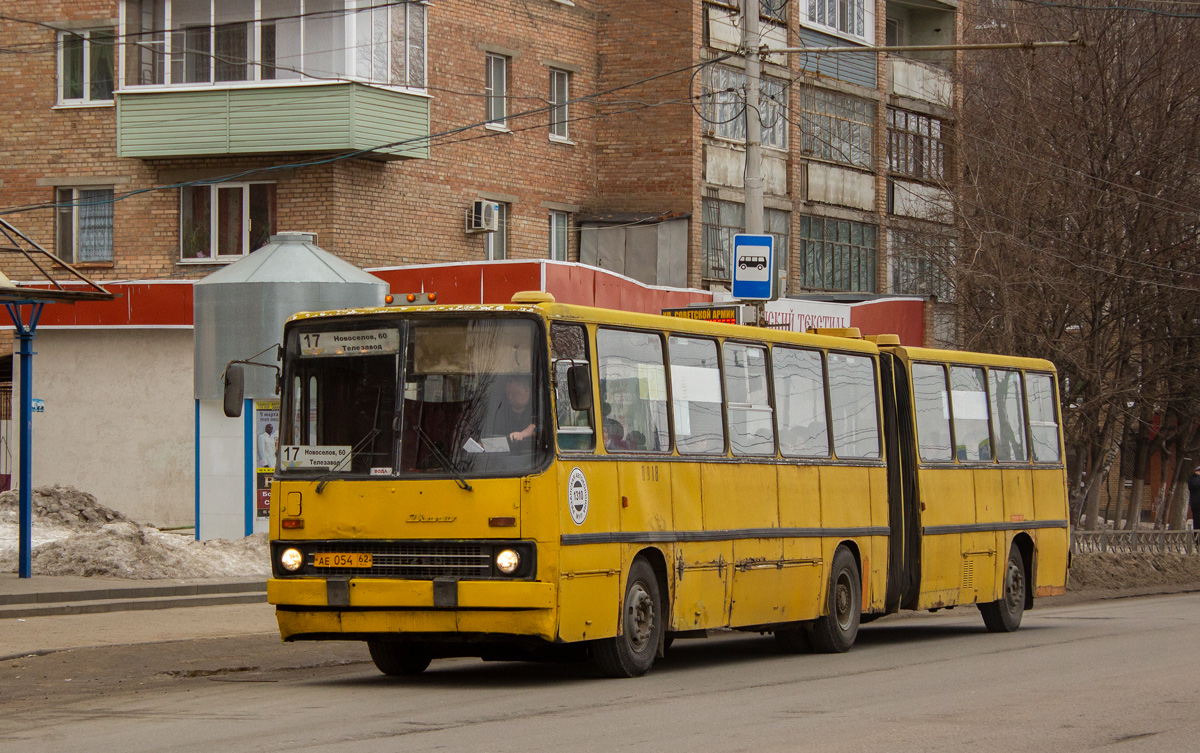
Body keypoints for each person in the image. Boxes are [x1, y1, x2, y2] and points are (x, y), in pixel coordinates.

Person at [494, 375, 536, 446]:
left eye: (514, 393)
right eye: (508, 393)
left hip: (531, 454)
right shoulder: (501, 411)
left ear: (527, 390)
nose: (510, 397)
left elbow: (537, 428)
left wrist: (522, 434)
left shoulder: (537, 407)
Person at [1188, 466, 1200, 531]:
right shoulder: (1193, 478)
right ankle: (1197, 539)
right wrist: (1198, 476)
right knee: (1197, 522)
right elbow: (1194, 485)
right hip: (1196, 504)